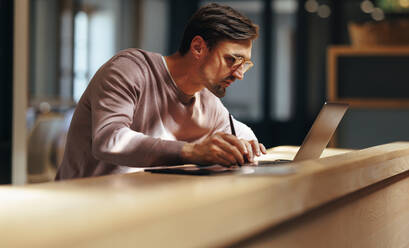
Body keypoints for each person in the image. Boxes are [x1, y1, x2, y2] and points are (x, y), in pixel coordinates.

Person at [55, 3, 267, 180]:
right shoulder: (129, 70)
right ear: (198, 47)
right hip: (79, 208)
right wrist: (192, 151)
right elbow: (110, 140)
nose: (239, 74)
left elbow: (243, 135)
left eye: (245, 64)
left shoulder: (206, 100)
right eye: (232, 60)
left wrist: (247, 147)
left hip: (137, 211)